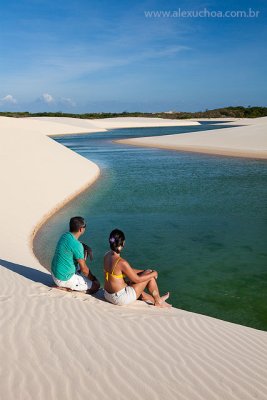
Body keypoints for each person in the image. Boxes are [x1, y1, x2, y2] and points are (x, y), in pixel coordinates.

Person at [104, 229, 171, 307]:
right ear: (123, 243)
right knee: (149, 276)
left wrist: (144, 271)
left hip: (107, 295)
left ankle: (157, 299)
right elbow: (137, 279)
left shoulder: (106, 255)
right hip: (119, 298)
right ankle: (158, 301)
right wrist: (153, 273)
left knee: (144, 277)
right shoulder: (121, 262)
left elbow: (128, 271)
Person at [51, 216, 100, 294]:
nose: (85, 228)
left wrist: (85, 247)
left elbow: (73, 245)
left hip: (54, 274)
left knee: (79, 260)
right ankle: (70, 288)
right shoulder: (77, 245)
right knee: (96, 286)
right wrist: (93, 278)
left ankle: (74, 283)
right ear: (81, 229)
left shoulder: (64, 236)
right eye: (85, 227)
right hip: (63, 279)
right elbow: (84, 270)